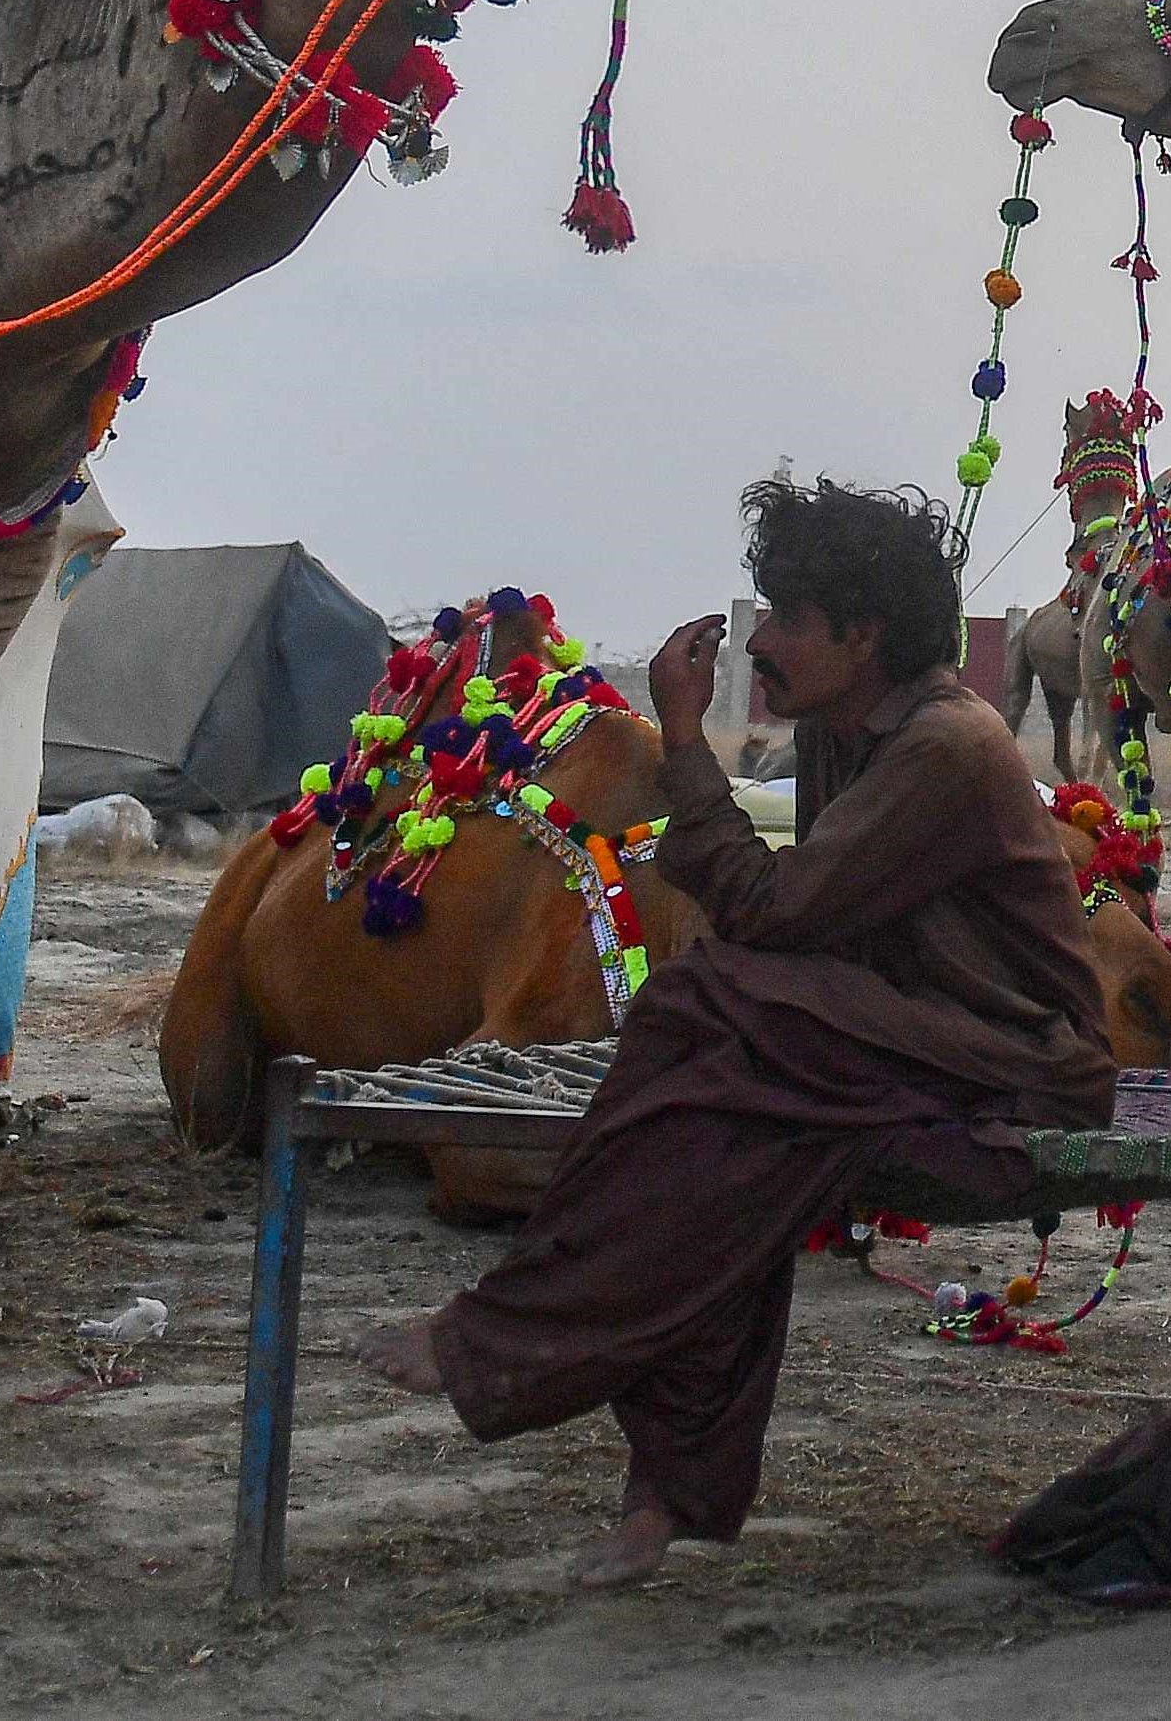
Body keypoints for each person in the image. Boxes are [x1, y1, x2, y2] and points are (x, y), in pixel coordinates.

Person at [358, 476, 1115, 1585]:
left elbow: (772, 910)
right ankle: (663, 1500)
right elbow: (797, 927)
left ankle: (502, 1337)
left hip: (1013, 1064)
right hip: (888, 1046)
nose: (760, 641)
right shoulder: (845, 732)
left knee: (691, 1004)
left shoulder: (945, 743)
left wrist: (678, 729)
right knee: (724, 1148)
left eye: (789, 620)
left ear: (863, 635)